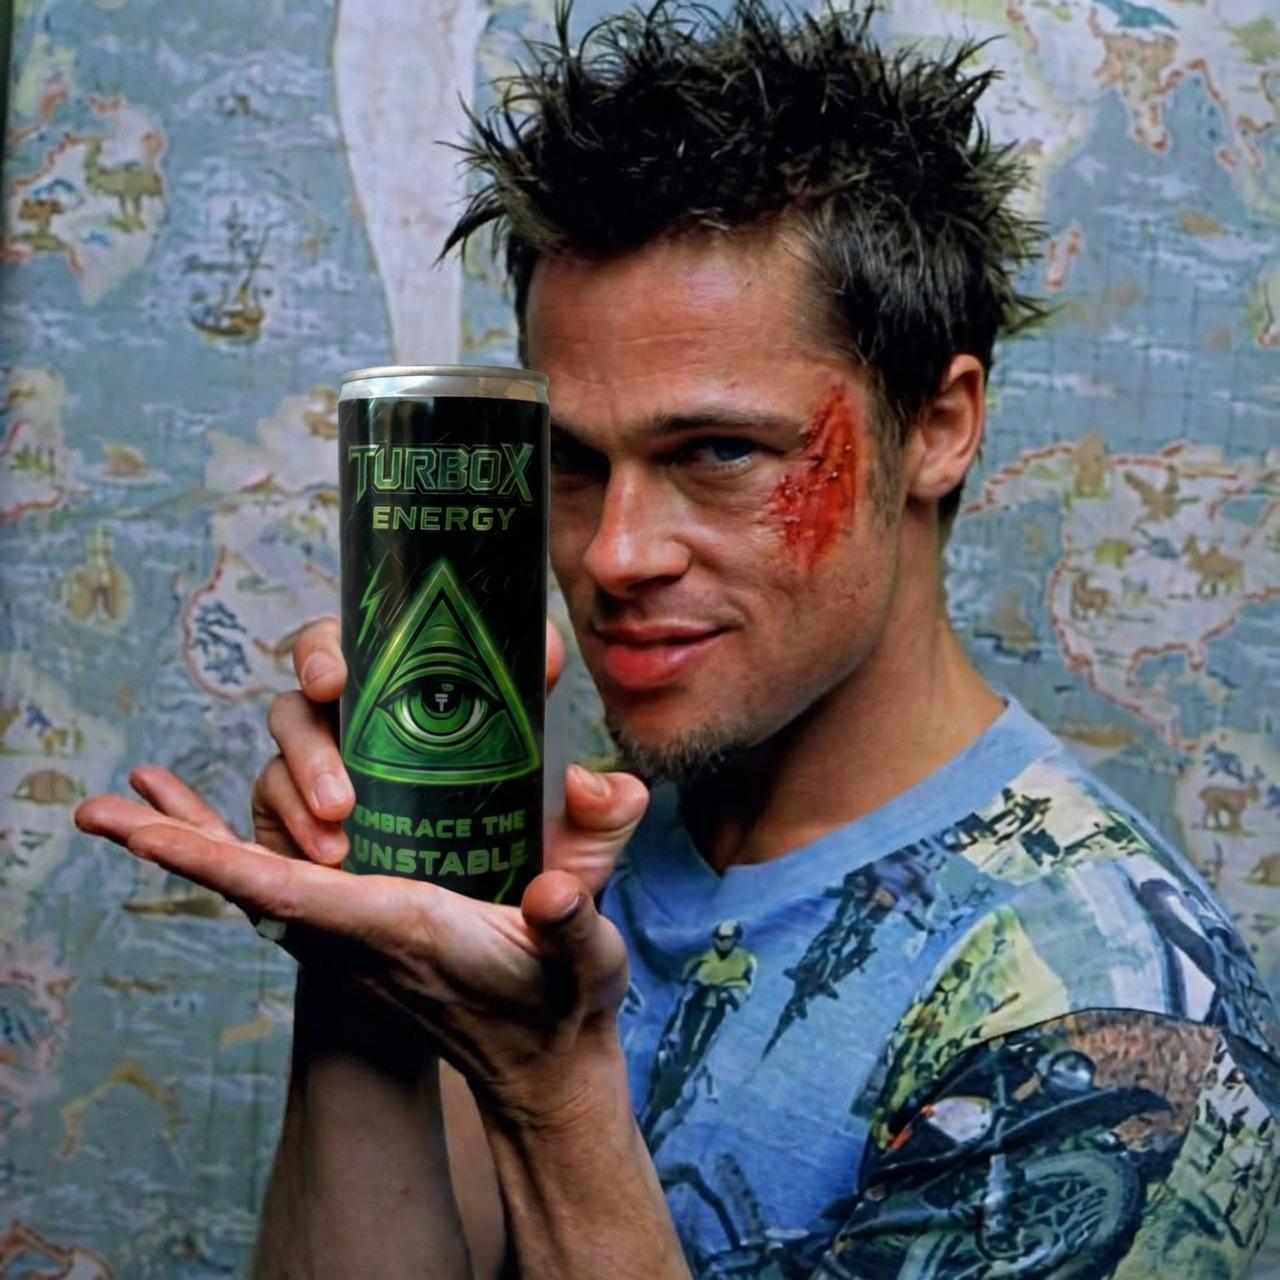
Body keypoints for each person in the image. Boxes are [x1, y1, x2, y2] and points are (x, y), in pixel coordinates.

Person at [75, 2, 1280, 1276]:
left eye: (716, 451)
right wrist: (366, 963)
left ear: (937, 427)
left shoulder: (1116, 1023)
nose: (612, 554)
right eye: (571, 463)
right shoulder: (591, 852)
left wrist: (549, 1093)